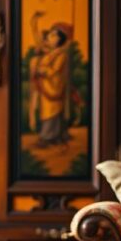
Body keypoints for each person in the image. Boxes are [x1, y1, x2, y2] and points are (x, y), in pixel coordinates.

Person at [29, 11, 73, 147]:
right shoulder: (49, 51)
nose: (49, 36)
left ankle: (49, 137)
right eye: (50, 34)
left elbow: (54, 71)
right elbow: (37, 39)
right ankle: (53, 136)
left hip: (54, 87)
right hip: (46, 86)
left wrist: (42, 70)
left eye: (53, 35)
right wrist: (33, 22)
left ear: (60, 39)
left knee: (52, 112)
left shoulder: (61, 55)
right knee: (46, 111)